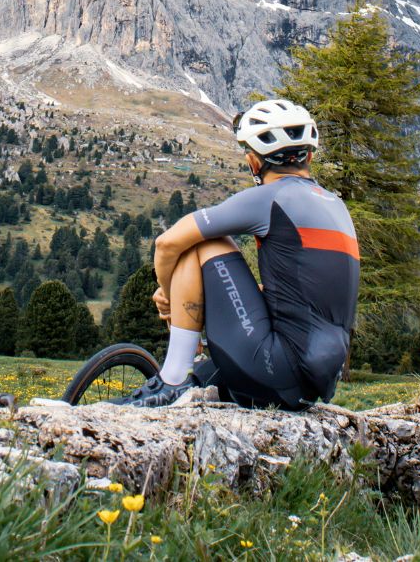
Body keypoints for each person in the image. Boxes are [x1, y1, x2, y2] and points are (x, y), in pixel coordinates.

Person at [114, 98, 360, 409]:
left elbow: (167, 243)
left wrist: (168, 295)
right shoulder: (337, 207)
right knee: (202, 377)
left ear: (254, 163)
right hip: (314, 383)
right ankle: (180, 383)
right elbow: (307, 299)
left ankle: (173, 379)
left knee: (204, 242)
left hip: (274, 368)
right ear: (309, 156)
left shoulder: (269, 197)